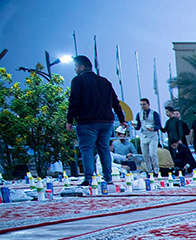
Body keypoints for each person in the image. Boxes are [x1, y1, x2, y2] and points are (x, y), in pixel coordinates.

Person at [67, 55, 126, 186]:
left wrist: (69, 120)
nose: (75, 69)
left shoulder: (78, 80)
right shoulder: (105, 81)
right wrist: (122, 119)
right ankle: (108, 178)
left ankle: (89, 178)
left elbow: (74, 101)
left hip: (87, 122)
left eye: (75, 67)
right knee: (104, 149)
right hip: (106, 122)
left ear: (82, 67)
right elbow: (115, 102)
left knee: (86, 149)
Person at [134, 98, 161, 175]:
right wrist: (135, 126)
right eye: (141, 104)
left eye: (144, 104)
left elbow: (158, 125)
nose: (143, 106)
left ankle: (156, 170)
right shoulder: (139, 114)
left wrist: (153, 128)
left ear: (148, 104)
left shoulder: (154, 113)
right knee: (145, 155)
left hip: (152, 136)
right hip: (143, 136)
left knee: (153, 154)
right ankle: (149, 171)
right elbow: (138, 126)